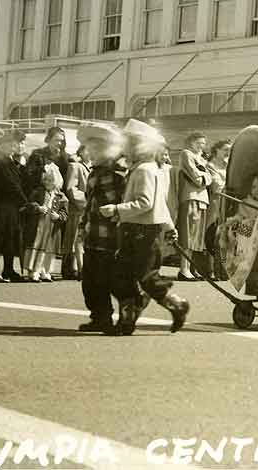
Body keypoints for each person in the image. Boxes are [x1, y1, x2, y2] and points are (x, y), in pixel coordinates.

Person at [100, 119, 189, 335]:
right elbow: (159, 203)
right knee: (125, 276)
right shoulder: (148, 169)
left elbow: (146, 203)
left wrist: (117, 209)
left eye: (129, 144)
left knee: (144, 277)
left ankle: (176, 305)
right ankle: (128, 319)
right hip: (138, 230)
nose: (125, 148)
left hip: (140, 232)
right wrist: (168, 226)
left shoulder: (143, 171)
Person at [77, 124, 126, 333]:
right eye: (90, 148)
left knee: (108, 280)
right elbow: (89, 204)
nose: (92, 152)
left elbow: (125, 202)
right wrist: (82, 227)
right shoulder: (94, 172)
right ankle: (99, 317)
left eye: (97, 148)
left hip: (111, 236)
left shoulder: (119, 172)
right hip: (93, 234)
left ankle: (115, 318)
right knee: (90, 281)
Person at [0, 130, 29, 283]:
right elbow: (10, 184)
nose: (12, 147)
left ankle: (8, 269)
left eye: (13, 144)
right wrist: (25, 202)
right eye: (8, 144)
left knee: (10, 237)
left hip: (10, 205)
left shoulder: (10, 160)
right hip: (0, 204)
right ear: (1, 145)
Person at [22, 164, 68, 283]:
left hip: (51, 228)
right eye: (46, 179)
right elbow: (28, 204)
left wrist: (58, 216)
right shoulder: (38, 192)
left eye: (51, 180)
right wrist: (38, 208)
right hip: (38, 226)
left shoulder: (61, 197)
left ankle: (44, 271)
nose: (47, 182)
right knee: (36, 246)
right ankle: (33, 271)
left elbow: (65, 213)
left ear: (56, 182)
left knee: (48, 250)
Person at [177, 132, 212, 280]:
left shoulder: (201, 158)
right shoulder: (186, 154)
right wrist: (205, 176)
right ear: (191, 142)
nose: (202, 146)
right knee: (188, 233)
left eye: (203, 144)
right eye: (199, 143)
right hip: (191, 196)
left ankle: (190, 268)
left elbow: (209, 178)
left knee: (196, 236)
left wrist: (204, 176)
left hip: (202, 198)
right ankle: (183, 269)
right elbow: (197, 178)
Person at [62, 145, 91, 281]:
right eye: (87, 150)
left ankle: (81, 268)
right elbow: (70, 188)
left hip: (88, 211)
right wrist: (87, 201)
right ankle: (71, 268)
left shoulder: (93, 167)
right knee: (73, 239)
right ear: (81, 152)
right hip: (78, 209)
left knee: (82, 240)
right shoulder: (76, 166)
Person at [206, 140, 232, 281]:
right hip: (215, 204)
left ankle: (223, 271)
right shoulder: (210, 166)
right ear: (216, 150)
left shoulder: (228, 165)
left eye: (229, 150)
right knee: (212, 235)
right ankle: (211, 271)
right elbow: (216, 187)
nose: (228, 153)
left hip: (227, 204)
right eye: (225, 149)